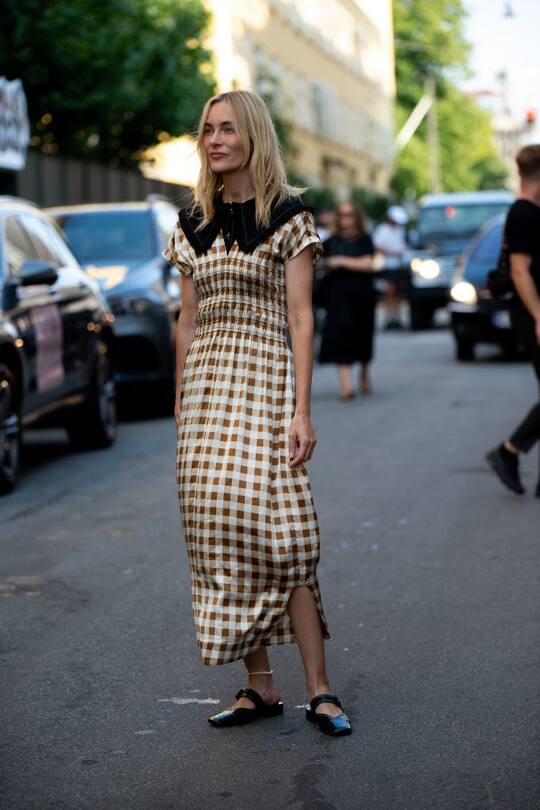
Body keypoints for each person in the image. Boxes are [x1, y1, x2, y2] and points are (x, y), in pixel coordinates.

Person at [162, 90, 352, 736]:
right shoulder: (191, 222)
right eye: (207, 129)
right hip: (207, 391)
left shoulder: (289, 217)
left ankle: (321, 690)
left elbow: (301, 318)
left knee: (287, 535)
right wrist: (180, 400)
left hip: (267, 385)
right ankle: (261, 684)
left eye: (227, 129)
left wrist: (302, 411)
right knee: (221, 533)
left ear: (253, 137)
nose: (214, 140)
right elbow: (186, 320)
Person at [487, 144, 540, 498]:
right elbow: (520, 271)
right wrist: (538, 315)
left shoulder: (531, 211)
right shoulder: (523, 213)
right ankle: (508, 451)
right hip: (531, 312)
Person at [317, 201, 377, 399]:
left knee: (363, 336)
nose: (345, 219)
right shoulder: (330, 242)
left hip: (362, 295)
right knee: (340, 336)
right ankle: (347, 386)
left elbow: (368, 264)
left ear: (357, 217)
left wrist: (341, 261)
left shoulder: (365, 239)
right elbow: (318, 262)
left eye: (349, 214)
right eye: (342, 215)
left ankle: (364, 373)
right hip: (338, 296)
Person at [373, 205, 408, 329]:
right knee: (390, 292)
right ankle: (389, 318)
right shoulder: (382, 230)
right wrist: (394, 253)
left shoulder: (401, 231)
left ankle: (396, 317)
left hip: (399, 266)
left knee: (398, 293)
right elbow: (378, 248)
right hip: (388, 266)